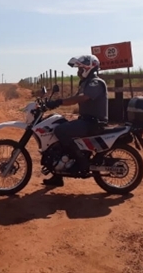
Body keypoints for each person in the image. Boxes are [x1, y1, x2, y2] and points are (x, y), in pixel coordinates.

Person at [42, 54, 108, 187]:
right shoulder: (86, 83)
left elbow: (82, 98)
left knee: (60, 130)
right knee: (59, 126)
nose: (78, 72)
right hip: (86, 120)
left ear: (88, 68)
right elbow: (75, 98)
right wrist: (55, 103)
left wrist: (59, 102)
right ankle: (58, 175)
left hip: (93, 123)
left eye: (80, 68)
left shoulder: (96, 82)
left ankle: (82, 161)